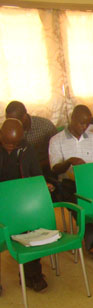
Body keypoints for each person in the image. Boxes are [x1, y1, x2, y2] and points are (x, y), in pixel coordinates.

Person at [48, 105, 93, 264]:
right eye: (81, 123)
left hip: (92, 181)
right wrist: (69, 162)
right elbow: (55, 169)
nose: (85, 127)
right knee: (85, 205)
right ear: (72, 119)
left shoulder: (91, 137)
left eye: (87, 124)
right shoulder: (57, 140)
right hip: (69, 183)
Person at [0, 119, 48, 293]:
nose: (11, 147)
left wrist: (42, 186)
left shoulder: (27, 149)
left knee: (32, 226)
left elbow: (36, 175)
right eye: (7, 143)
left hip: (22, 202)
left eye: (16, 143)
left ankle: (32, 275)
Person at [5, 100, 57, 174]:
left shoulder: (45, 126)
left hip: (44, 169)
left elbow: (57, 152)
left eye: (16, 120)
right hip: (18, 171)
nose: (12, 124)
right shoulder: (6, 131)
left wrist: (37, 165)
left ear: (24, 116)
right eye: (8, 120)